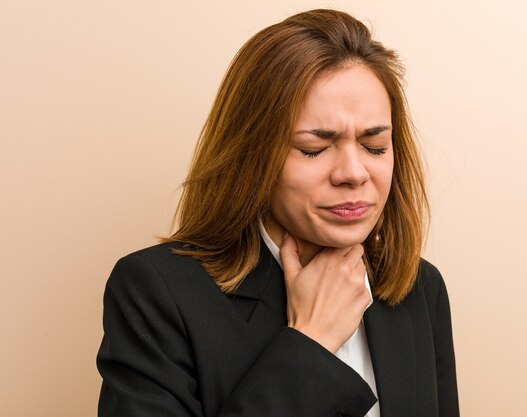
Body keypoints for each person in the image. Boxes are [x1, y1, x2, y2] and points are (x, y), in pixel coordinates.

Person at [97, 8, 459, 417]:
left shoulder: (419, 287)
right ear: (253, 155)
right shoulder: (157, 292)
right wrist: (311, 342)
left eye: (375, 146)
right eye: (313, 149)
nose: (354, 174)